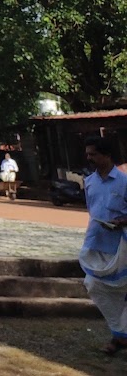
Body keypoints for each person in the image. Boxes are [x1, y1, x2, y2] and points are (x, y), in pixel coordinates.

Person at [77, 137, 127, 354]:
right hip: (96, 241)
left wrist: (122, 222)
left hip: (121, 245)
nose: (89, 158)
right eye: (87, 154)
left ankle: (118, 338)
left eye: (93, 154)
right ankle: (120, 333)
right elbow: (92, 210)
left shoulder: (124, 182)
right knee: (93, 284)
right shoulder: (89, 182)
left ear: (106, 155)